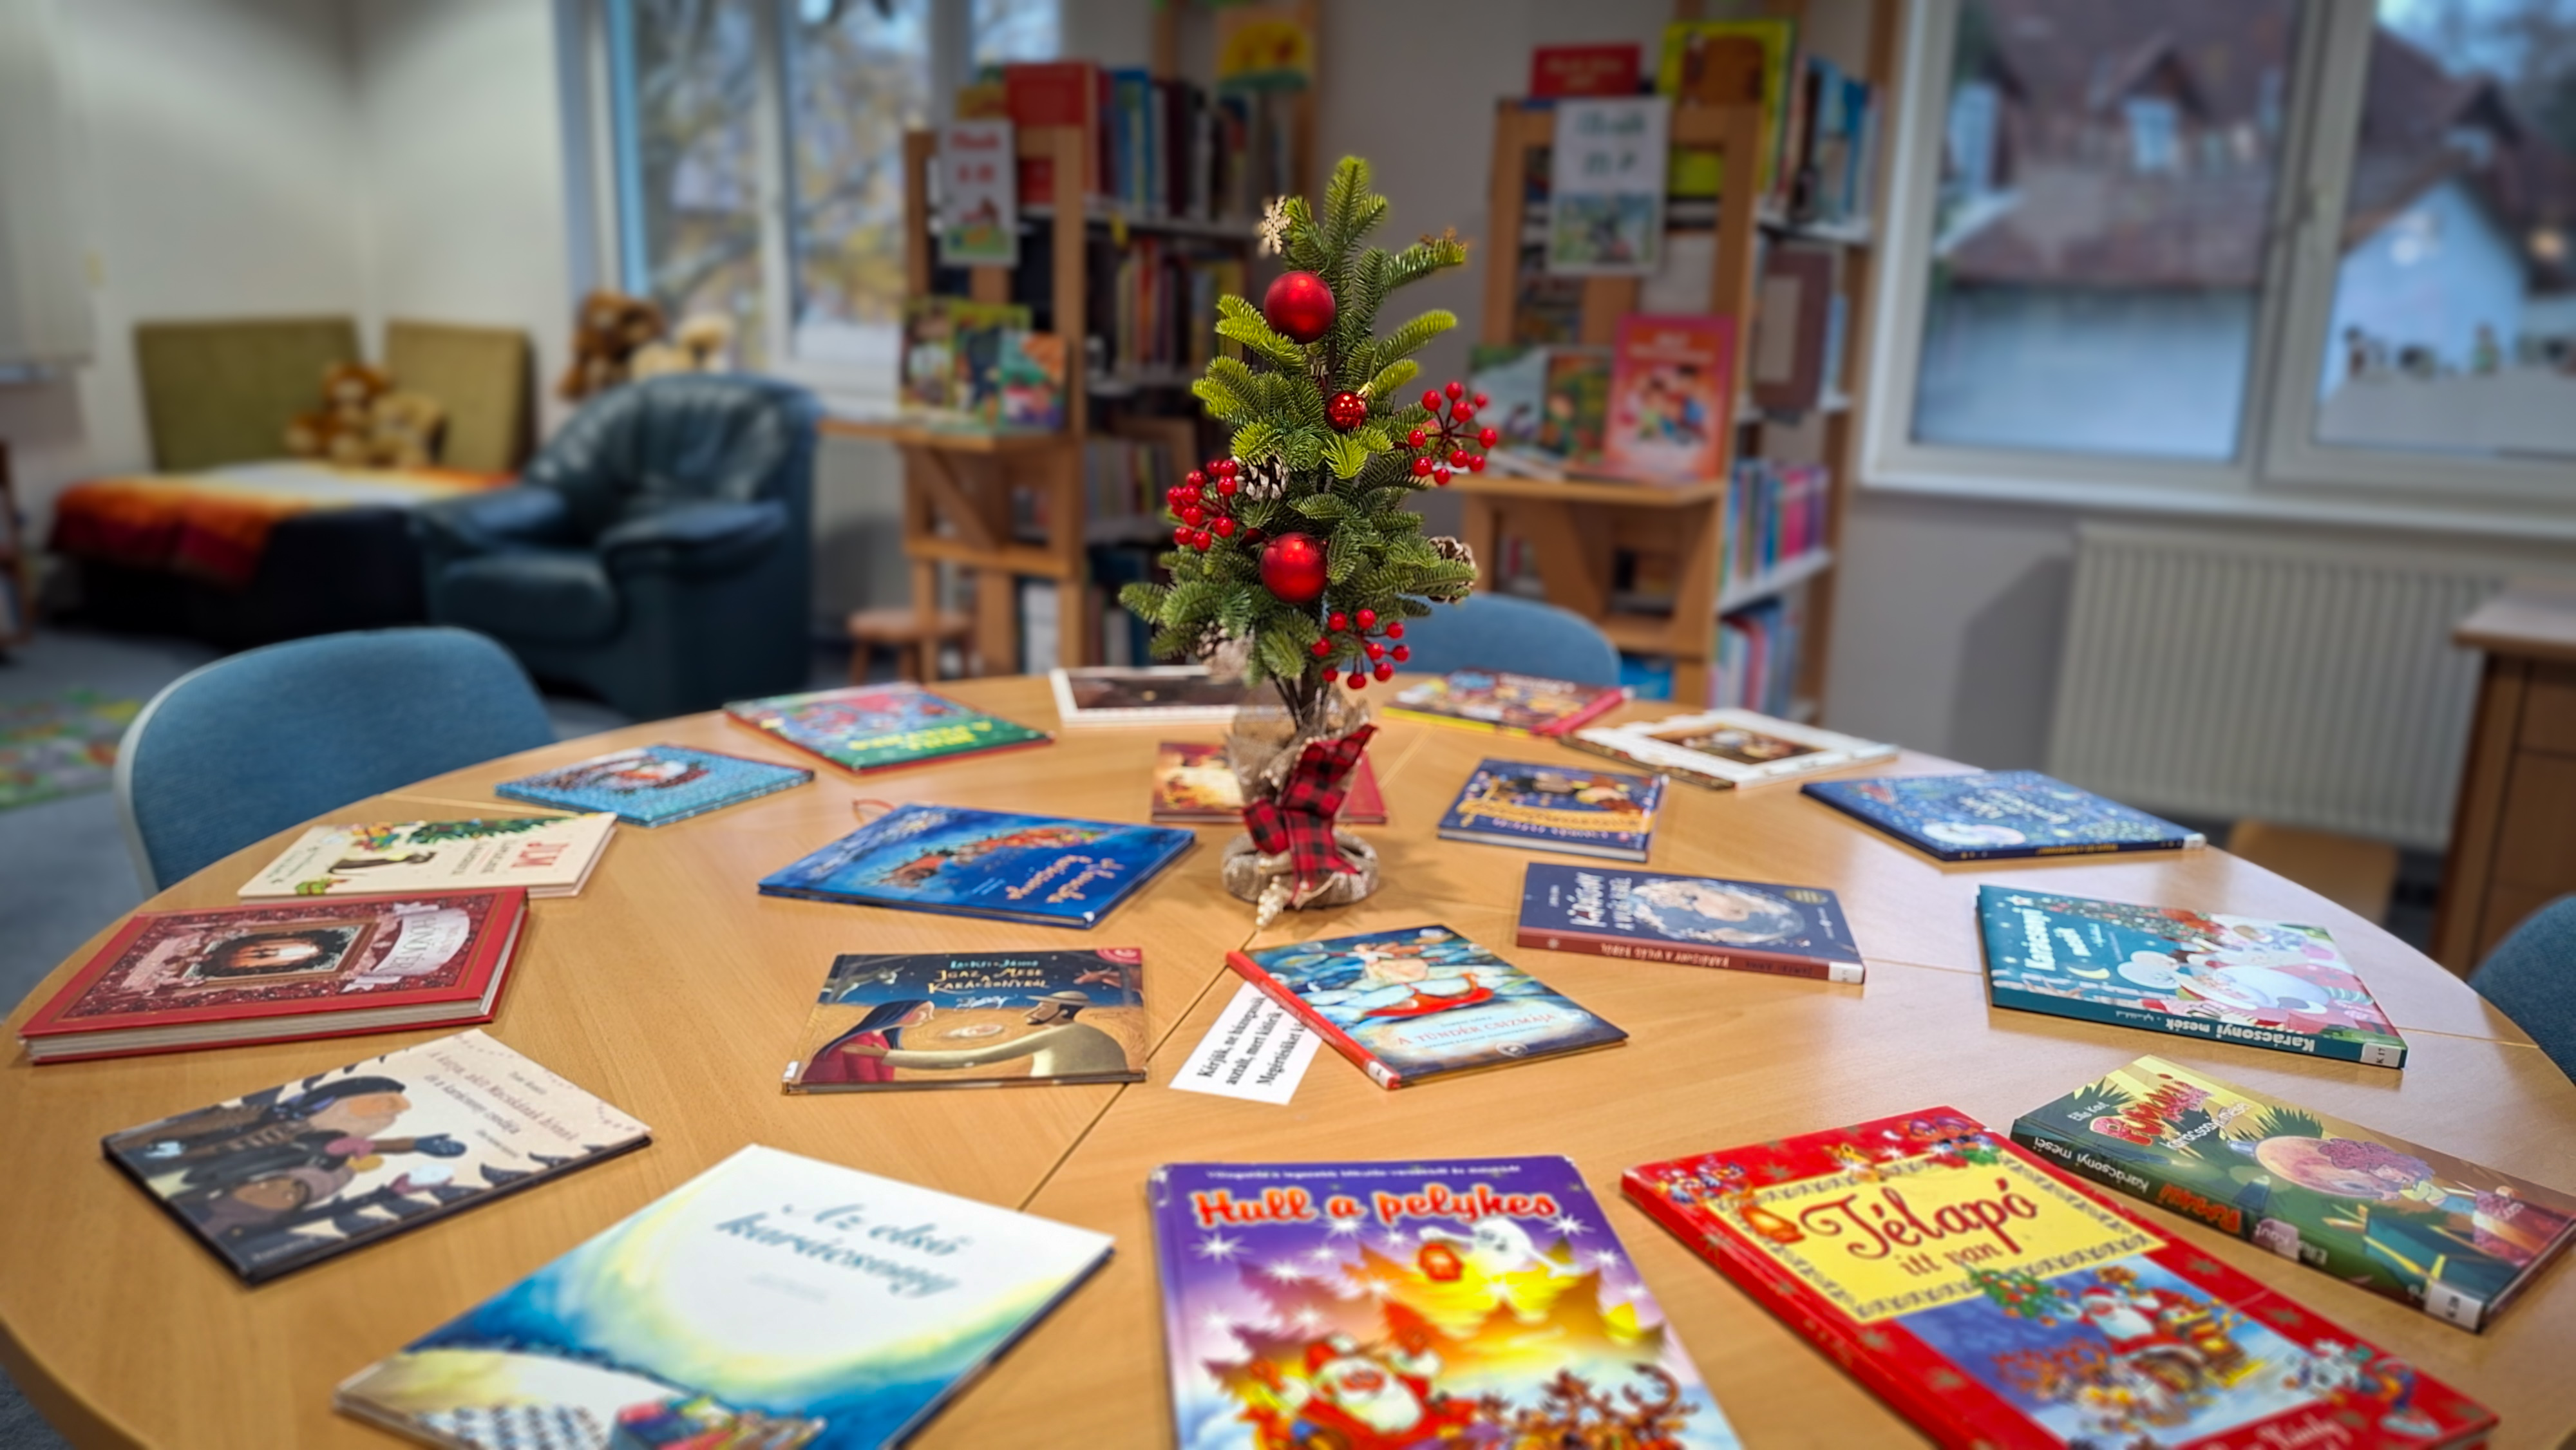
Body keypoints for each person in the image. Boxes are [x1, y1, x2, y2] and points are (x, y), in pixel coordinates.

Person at [831, 991, 1133, 1079]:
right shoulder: (1075, 1032)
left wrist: (888, 1056)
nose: (1034, 1011)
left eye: (1044, 1006)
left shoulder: (1062, 1035)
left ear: (1063, 1011)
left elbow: (973, 1058)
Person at [799, 999, 934, 1086]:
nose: (930, 1017)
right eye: (924, 1011)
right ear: (901, 1012)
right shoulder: (861, 1042)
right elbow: (865, 1082)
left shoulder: (879, 1038)